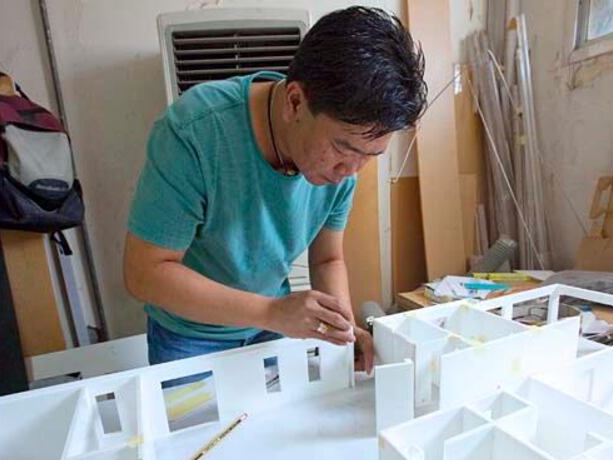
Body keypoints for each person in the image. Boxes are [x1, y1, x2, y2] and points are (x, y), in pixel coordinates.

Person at [123, 6, 427, 376]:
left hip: (271, 326)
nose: (350, 170)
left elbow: (327, 259)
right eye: (344, 149)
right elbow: (144, 273)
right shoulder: (193, 133)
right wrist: (270, 311)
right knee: (197, 434)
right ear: (295, 102)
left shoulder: (347, 158)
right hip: (190, 334)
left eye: (370, 156)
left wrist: (342, 329)